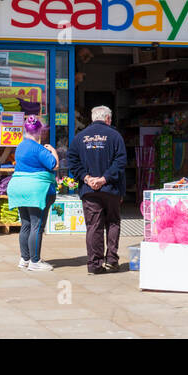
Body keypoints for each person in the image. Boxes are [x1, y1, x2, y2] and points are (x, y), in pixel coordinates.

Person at [66, 105, 126, 274]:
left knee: (94, 226)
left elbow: (72, 162)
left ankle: (94, 265)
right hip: (111, 188)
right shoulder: (115, 136)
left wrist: (87, 178)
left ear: (93, 118)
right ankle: (112, 261)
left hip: (89, 189)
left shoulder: (79, 137)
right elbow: (120, 162)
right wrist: (104, 178)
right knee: (113, 222)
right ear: (108, 118)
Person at [6, 115, 58, 272]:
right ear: (40, 131)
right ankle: (35, 261)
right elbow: (54, 165)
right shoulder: (39, 148)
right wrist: (53, 151)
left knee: (26, 224)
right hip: (37, 191)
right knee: (37, 225)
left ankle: (25, 259)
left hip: (18, 187)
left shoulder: (20, 146)